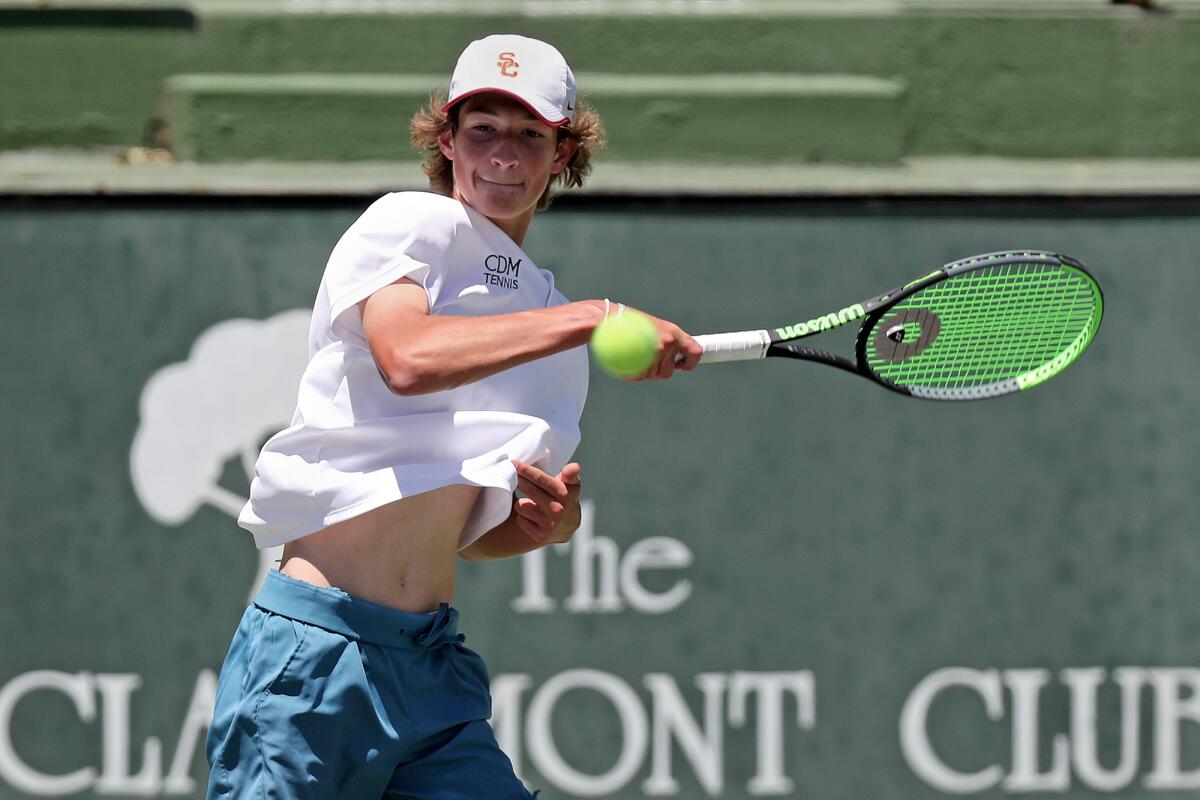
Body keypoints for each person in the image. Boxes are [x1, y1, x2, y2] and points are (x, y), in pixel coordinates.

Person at [205, 34, 703, 799]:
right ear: (446, 140)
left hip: (431, 670)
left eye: (530, 134)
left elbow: (472, 537)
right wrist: (590, 317)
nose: (504, 153)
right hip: (312, 658)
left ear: (563, 154)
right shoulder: (409, 225)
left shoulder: (546, 315)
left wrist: (549, 524)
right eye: (483, 129)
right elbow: (405, 359)